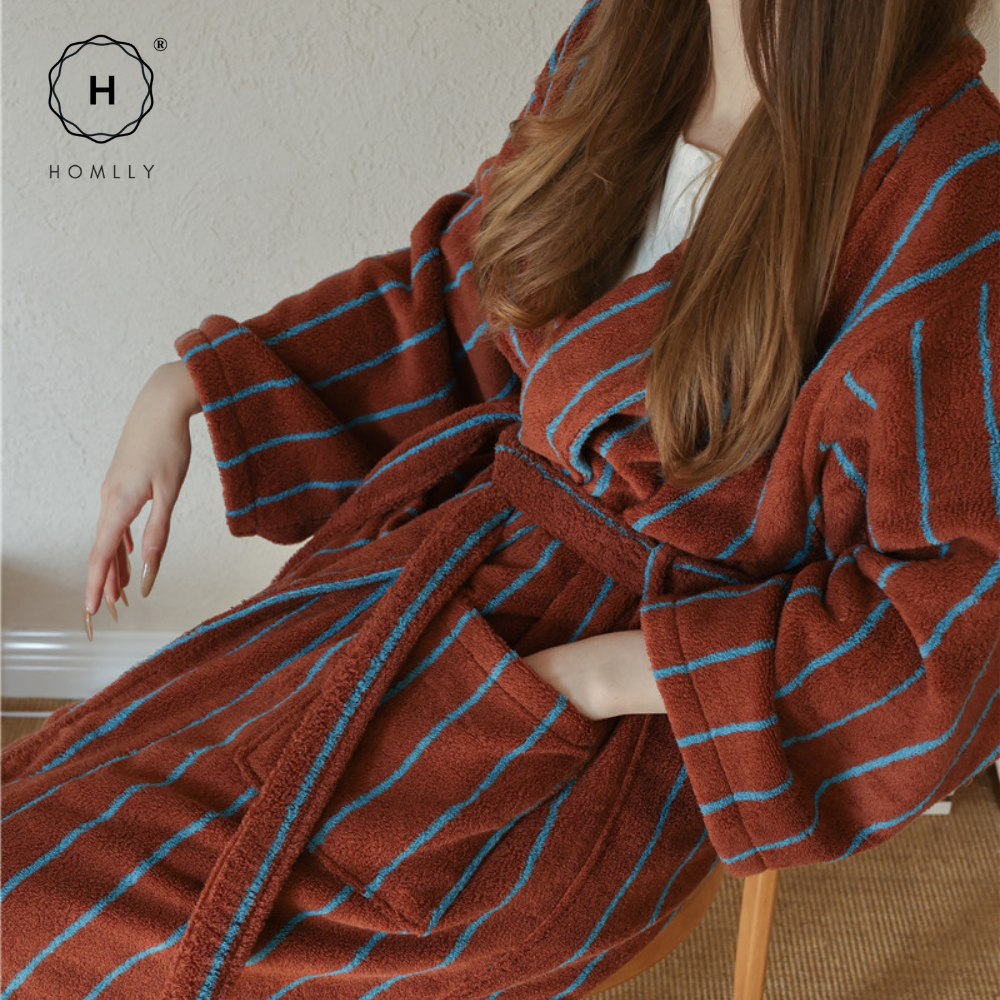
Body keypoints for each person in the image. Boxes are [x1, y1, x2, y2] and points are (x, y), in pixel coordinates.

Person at [3, 1, 998, 997]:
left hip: (620, 727)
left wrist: (603, 679)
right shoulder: (622, 40)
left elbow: (948, 622)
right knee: (50, 822)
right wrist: (191, 386)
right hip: (430, 578)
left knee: (82, 921)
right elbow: (467, 295)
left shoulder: (948, 187)